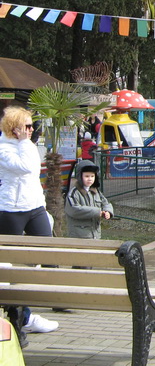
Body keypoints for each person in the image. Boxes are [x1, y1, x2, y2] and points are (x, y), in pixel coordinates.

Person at [0, 106, 59, 334]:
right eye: (27, 126)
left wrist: (26, 142)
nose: (31, 129)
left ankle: (50, 301)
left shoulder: (28, 145)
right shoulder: (3, 148)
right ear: (14, 128)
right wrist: (25, 142)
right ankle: (19, 314)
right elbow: (25, 168)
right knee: (7, 261)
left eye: (31, 125)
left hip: (34, 206)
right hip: (11, 209)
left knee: (47, 253)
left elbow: (35, 169)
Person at [64, 160, 113, 239]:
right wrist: (97, 212)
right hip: (79, 236)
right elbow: (74, 210)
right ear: (80, 176)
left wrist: (108, 211)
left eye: (92, 176)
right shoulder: (73, 193)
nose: (90, 179)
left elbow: (105, 203)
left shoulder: (96, 192)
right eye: (86, 176)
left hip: (95, 235)